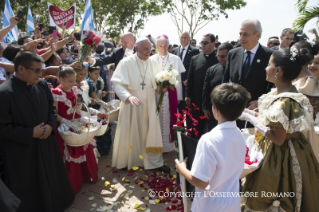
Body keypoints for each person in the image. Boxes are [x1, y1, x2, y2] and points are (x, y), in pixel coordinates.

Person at [241, 47, 319, 211]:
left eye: (269, 64)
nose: (266, 68)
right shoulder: (281, 92)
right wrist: (252, 113)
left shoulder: (284, 101)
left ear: (278, 70)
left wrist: (252, 119)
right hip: (288, 149)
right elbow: (273, 119)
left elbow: (278, 138)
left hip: (282, 157)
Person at [0, 51, 74, 211]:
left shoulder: (41, 85)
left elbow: (51, 109)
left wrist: (49, 125)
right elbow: (3, 128)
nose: (41, 74)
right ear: (21, 69)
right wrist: (29, 133)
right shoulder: (4, 93)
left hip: (46, 142)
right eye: (37, 70)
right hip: (23, 152)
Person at [175, 83, 251, 212]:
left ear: (216, 110)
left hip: (209, 206)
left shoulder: (208, 140)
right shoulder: (239, 135)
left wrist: (181, 169)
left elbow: (201, 182)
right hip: (232, 204)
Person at [111, 37, 170, 173]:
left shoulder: (154, 64)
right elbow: (117, 84)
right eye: (145, 49)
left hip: (150, 104)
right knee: (131, 130)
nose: (148, 52)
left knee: (151, 131)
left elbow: (156, 85)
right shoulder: (125, 62)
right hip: (132, 104)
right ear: (136, 49)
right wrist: (128, 96)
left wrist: (162, 88)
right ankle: (129, 160)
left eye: (150, 49)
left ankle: (154, 162)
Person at [51, 66, 99, 193]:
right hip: (64, 124)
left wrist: (78, 106)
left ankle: (86, 176)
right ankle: (73, 183)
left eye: (74, 81)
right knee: (70, 150)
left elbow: (79, 103)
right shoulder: (56, 93)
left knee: (83, 145)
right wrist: (67, 122)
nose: (73, 84)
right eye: (70, 81)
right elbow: (54, 114)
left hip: (77, 122)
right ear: (61, 79)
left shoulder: (75, 88)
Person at [222, 19, 273, 128]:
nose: (241, 38)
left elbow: (273, 85)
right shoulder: (233, 54)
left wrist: (261, 102)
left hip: (256, 115)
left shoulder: (269, 55)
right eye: (240, 34)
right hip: (233, 114)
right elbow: (225, 82)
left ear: (257, 35)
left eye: (245, 34)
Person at [150, 34, 185, 152]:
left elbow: (178, 81)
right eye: (160, 46)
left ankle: (169, 146)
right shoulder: (151, 59)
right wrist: (158, 87)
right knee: (157, 118)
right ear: (156, 46)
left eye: (166, 45)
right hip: (157, 95)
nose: (163, 48)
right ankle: (158, 144)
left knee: (170, 117)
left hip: (171, 95)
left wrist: (179, 97)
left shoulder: (176, 59)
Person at [185, 33, 218, 139]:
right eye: (201, 43)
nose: (202, 45)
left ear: (213, 44)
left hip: (212, 99)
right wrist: (188, 95)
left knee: (211, 129)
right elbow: (191, 79)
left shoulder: (218, 59)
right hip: (196, 98)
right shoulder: (195, 59)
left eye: (205, 43)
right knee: (195, 128)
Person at [202, 42, 233, 132]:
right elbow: (206, 90)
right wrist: (206, 108)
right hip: (214, 111)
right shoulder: (212, 70)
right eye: (218, 56)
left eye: (223, 56)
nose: (220, 59)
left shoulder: (237, 70)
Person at [172, 32, 200, 112]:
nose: (183, 39)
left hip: (186, 85)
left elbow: (196, 68)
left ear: (189, 38)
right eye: (182, 37)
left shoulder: (195, 51)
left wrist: (189, 79)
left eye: (185, 37)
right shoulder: (174, 51)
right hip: (176, 84)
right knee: (177, 108)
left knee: (187, 109)